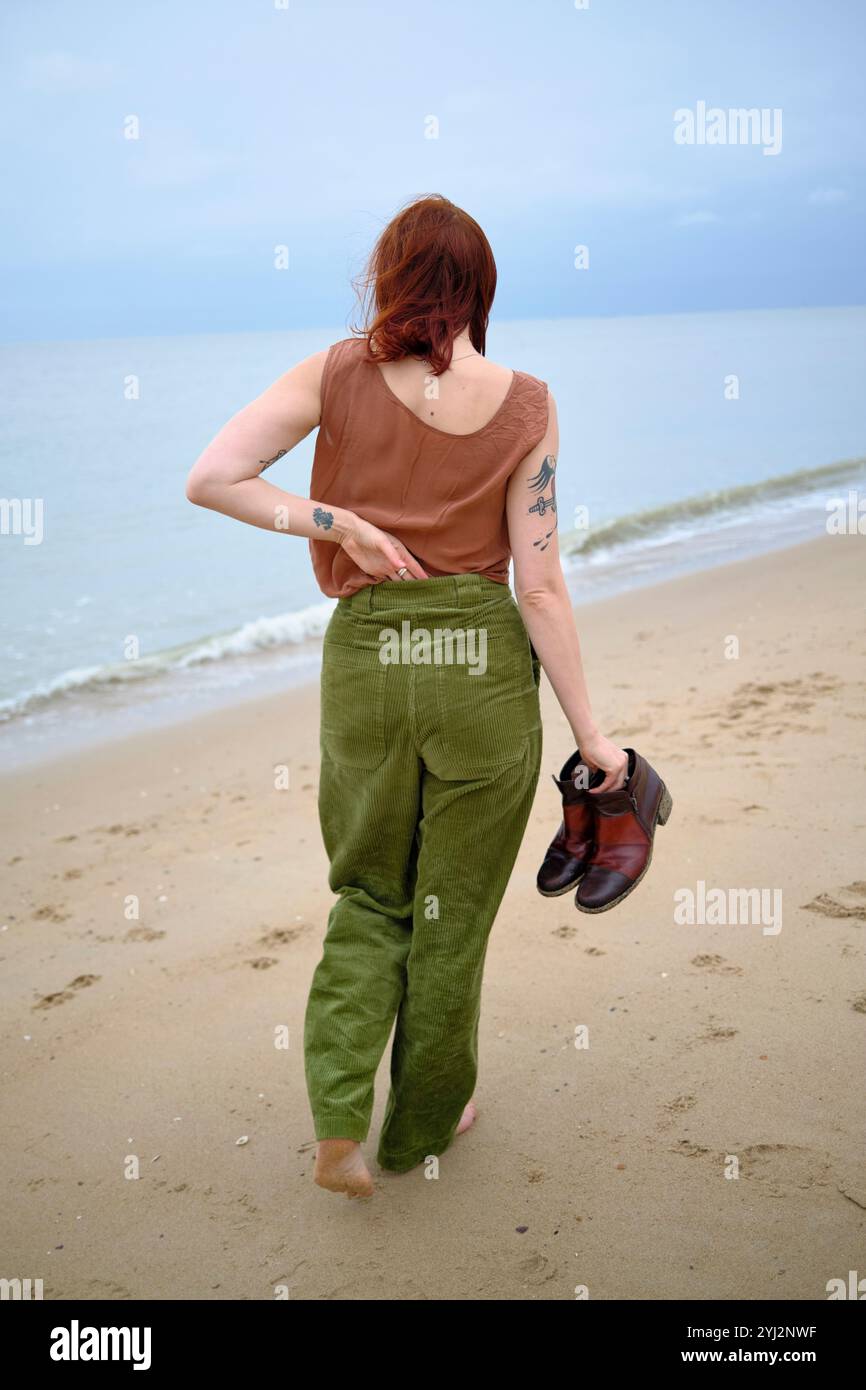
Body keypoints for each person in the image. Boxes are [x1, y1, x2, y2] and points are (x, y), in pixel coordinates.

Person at [186, 193, 627, 1198]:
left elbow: (212, 478)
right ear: (479, 289)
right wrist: (590, 734)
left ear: (385, 282)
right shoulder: (528, 402)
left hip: (368, 665)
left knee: (370, 894)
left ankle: (338, 1119)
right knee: (451, 909)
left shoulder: (335, 372)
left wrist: (331, 521)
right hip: (479, 671)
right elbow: (541, 583)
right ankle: (424, 1123)